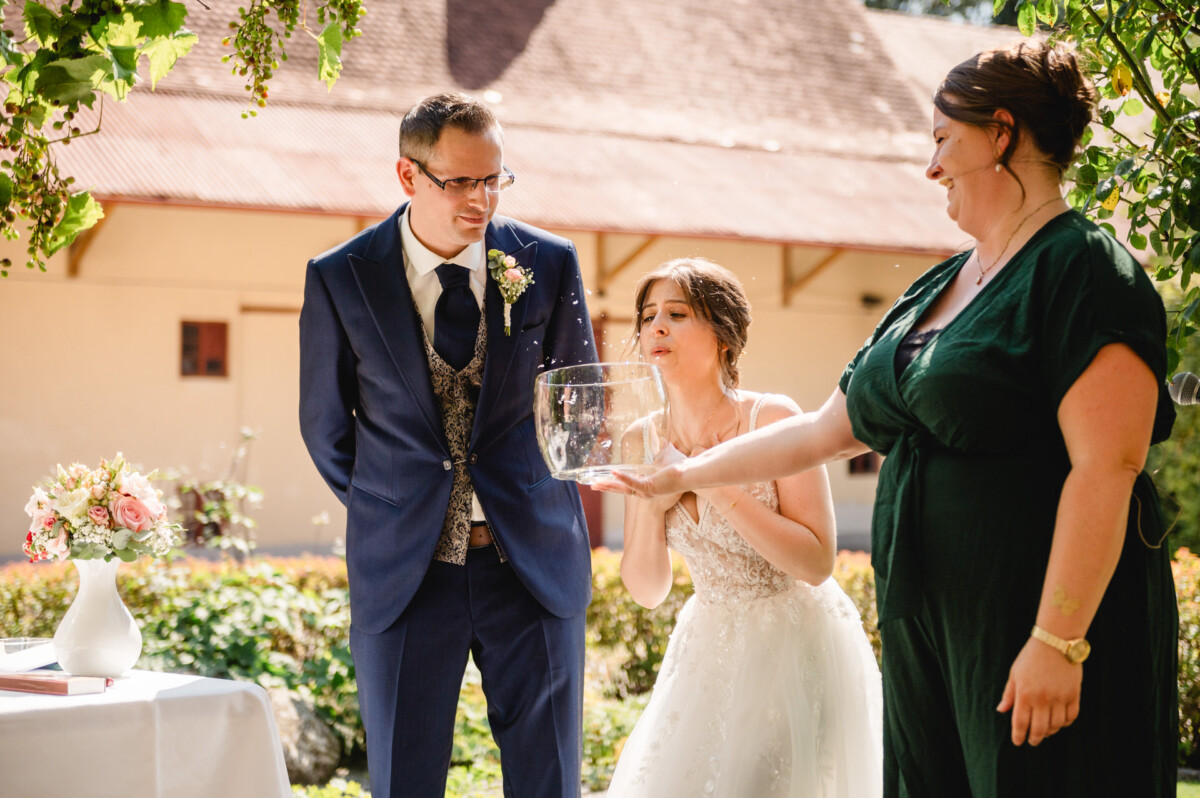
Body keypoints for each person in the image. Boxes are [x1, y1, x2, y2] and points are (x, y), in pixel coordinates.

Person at [606, 42, 1178, 796]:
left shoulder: (1085, 271)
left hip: (1022, 626)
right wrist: (682, 474)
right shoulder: (940, 285)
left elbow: (1108, 466)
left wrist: (1058, 640)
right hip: (924, 632)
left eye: (943, 140)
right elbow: (820, 430)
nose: (931, 166)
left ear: (1001, 134)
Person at [299, 92, 597, 798]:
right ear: (408, 176)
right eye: (460, 181)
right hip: (407, 576)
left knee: (549, 782)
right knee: (404, 782)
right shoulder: (341, 277)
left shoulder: (548, 263)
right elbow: (325, 427)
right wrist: (401, 506)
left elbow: (579, 408)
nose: (481, 199)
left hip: (531, 567)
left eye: (494, 178)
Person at [604, 258, 882, 797]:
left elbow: (817, 563)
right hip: (709, 645)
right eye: (648, 315)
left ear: (723, 336)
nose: (656, 327)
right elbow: (646, 590)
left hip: (795, 644)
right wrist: (652, 506)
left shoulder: (773, 419)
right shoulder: (640, 440)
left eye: (677, 314)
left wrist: (707, 482)